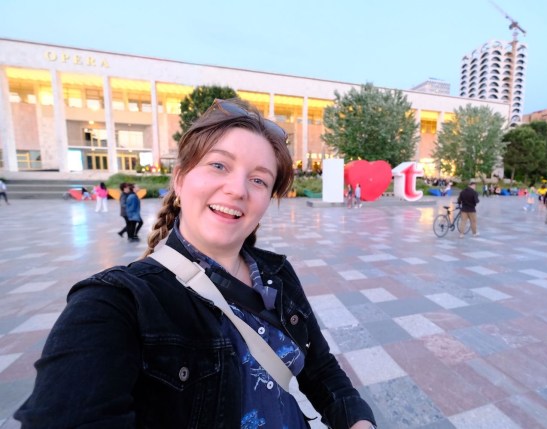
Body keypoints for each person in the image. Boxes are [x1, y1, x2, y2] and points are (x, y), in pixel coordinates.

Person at [15, 98, 376, 429]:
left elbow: (320, 368)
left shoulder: (276, 275)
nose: (238, 189)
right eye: (219, 165)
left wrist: (359, 421)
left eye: (259, 180)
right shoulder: (114, 305)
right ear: (180, 178)